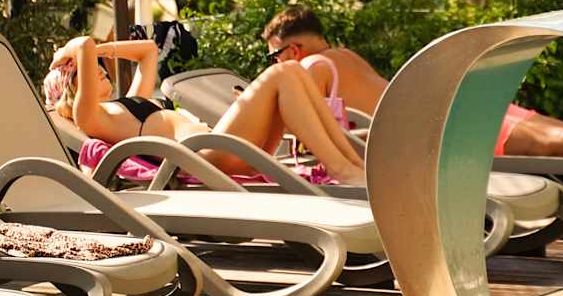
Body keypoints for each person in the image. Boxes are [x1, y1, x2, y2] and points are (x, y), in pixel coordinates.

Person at [262, 5, 563, 201]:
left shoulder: (311, 68)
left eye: (274, 57)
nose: (276, 65)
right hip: (459, 108)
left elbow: (305, 125)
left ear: (293, 50)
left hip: (452, 129)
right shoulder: (345, 57)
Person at [43, 34, 366, 187]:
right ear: (71, 89)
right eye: (85, 70)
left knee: (293, 70)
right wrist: (71, 52)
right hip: (206, 157)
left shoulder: (124, 104)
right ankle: (341, 170)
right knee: (281, 74)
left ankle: (351, 163)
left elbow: (149, 51)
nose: (99, 68)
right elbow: (84, 45)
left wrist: (99, 49)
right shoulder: (92, 118)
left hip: (219, 149)